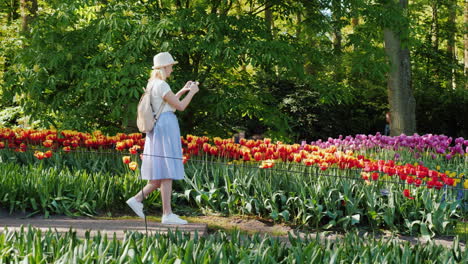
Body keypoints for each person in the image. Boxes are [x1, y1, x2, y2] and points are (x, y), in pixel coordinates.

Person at [126, 52, 199, 225]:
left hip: (158, 128)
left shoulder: (152, 84)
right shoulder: (162, 85)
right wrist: (192, 93)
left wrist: (183, 90)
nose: (172, 69)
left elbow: (167, 102)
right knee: (167, 169)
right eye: (171, 66)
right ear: (164, 67)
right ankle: (167, 214)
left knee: (160, 172)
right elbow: (180, 106)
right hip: (166, 127)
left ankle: (136, 200)